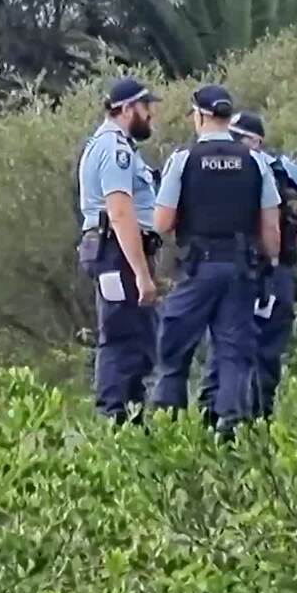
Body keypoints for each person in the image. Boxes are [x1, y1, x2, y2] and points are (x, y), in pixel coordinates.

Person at [151, 85, 281, 435]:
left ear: (200, 115)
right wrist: (269, 267)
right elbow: (271, 229)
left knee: (174, 344)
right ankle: (230, 427)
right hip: (240, 268)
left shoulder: (183, 160)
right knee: (234, 352)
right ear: (228, 117)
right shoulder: (255, 161)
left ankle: (168, 424)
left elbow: (161, 223)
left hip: (198, 267)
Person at [199, 111, 297, 421]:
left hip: (266, 268)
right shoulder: (232, 169)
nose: (235, 142)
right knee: (229, 342)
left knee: (258, 344)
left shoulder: (275, 166)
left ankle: (248, 416)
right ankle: (221, 415)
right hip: (242, 266)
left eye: (241, 137)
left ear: (257, 141)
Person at [77, 76, 162, 423]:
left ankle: (130, 417)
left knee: (136, 339)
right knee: (122, 339)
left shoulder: (114, 146)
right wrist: (142, 274)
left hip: (118, 252)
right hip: (119, 253)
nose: (150, 115)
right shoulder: (115, 151)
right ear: (127, 108)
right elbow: (120, 212)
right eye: (146, 108)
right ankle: (115, 420)